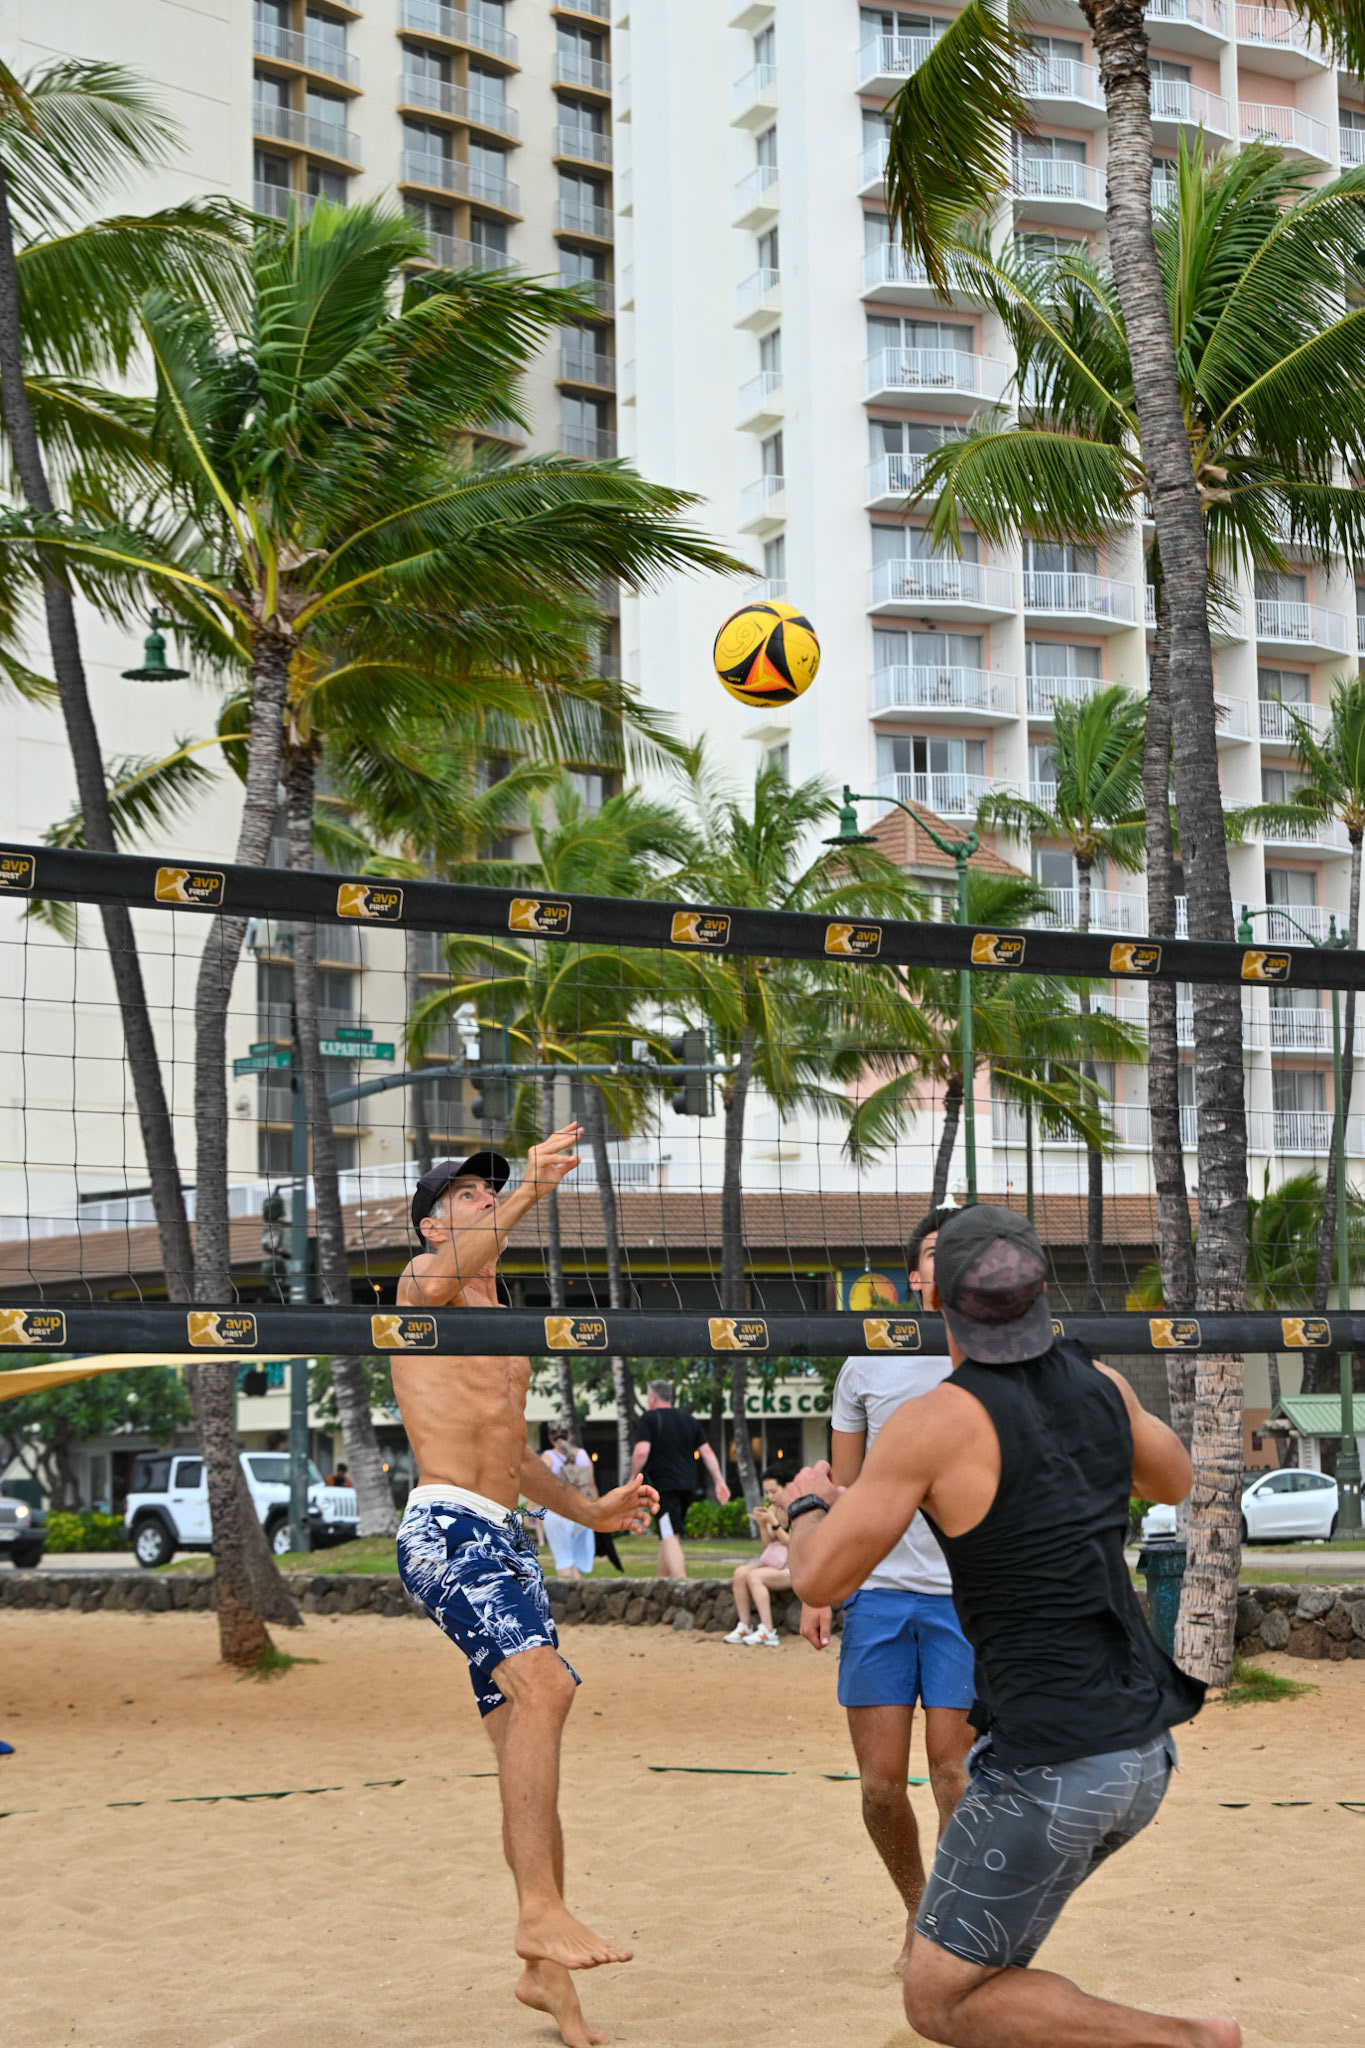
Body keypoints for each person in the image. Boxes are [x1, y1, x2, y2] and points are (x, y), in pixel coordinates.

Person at [783, 1204, 1230, 2048]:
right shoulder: (1102, 1383)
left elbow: (816, 1575)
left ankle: (1192, 2040)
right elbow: (1173, 1480)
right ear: (1036, 1297)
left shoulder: (934, 1422)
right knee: (983, 1982)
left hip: (1053, 1763)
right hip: (1142, 1748)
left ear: (937, 1300)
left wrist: (804, 1503)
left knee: (938, 2001)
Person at [391, 1130, 657, 2048]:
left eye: (484, 1191)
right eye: (462, 1194)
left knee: (524, 1743)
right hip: (443, 1527)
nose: (477, 1201)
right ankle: (540, 1913)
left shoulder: (501, 1323)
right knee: (549, 1684)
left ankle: (548, 1982)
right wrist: (533, 1184)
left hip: (503, 1540)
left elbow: (509, 1448)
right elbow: (466, 1250)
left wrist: (589, 1508)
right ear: (430, 1223)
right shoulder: (421, 1284)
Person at [798, 1206, 975, 1972]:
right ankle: (916, 1907)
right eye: (935, 1251)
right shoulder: (867, 1363)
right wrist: (815, 1592)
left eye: (963, 1250)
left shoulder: (993, 1355)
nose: (947, 1262)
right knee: (878, 1787)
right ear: (915, 1275)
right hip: (879, 1593)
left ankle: (946, 1929)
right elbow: (842, 1488)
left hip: (963, 1598)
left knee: (953, 1776)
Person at [628, 1379, 731, 1577]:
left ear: (653, 1397)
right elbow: (707, 1452)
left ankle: (682, 1585)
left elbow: (641, 1451)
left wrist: (633, 1477)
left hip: (663, 1488)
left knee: (667, 1534)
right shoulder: (689, 1420)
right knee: (670, 1533)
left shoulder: (649, 1418)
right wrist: (720, 1480)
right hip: (687, 1487)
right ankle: (661, 1585)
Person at [723, 1465, 792, 1645]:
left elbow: (792, 1542)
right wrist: (763, 1525)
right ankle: (745, 1625)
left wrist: (774, 1522)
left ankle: (768, 1631)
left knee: (755, 1577)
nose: (769, 1496)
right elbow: (769, 1544)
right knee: (740, 1573)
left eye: (773, 1491)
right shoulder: (773, 1509)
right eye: (766, 1492)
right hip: (778, 1564)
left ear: (787, 1487)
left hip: (796, 1567)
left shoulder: (797, 1508)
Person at [541, 1424, 597, 1580]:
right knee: (573, 1563)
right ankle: (579, 1600)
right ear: (569, 1434)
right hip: (581, 1514)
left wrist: (530, 1512)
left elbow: (539, 1487)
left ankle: (567, 1602)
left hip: (558, 1514)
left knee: (563, 1561)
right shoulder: (584, 1455)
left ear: (550, 1437)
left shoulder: (548, 1457)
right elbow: (591, 1486)